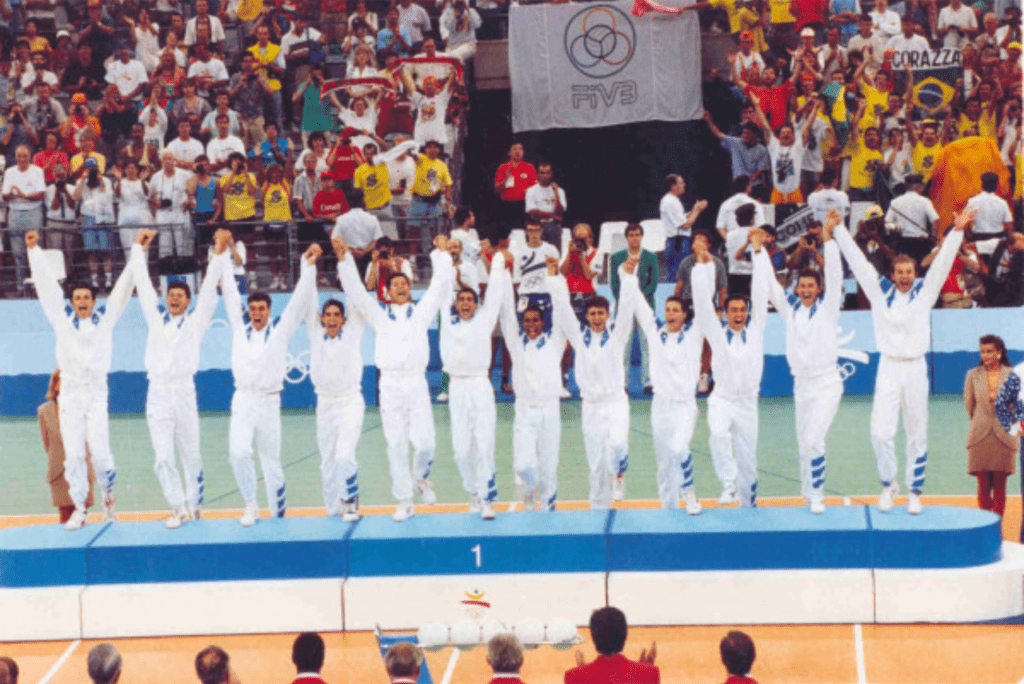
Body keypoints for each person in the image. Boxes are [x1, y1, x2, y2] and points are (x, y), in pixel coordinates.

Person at [834, 208, 976, 514]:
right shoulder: (880, 292)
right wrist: (839, 232)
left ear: (914, 273)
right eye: (899, 273)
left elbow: (939, 266)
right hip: (888, 366)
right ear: (892, 274)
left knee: (916, 431)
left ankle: (914, 490)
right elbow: (859, 265)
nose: (904, 277)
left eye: (909, 272)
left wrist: (957, 231)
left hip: (915, 367)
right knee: (880, 432)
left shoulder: (925, 292)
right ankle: (889, 485)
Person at [336, 234, 453, 522]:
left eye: (404, 284)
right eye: (394, 285)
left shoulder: (421, 313)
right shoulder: (380, 314)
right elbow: (358, 293)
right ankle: (403, 500)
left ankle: (420, 478)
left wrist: (440, 254)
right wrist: (345, 260)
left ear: (410, 289)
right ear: (387, 291)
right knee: (396, 444)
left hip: (416, 383)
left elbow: (439, 287)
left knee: (425, 444)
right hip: (389, 385)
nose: (400, 287)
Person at [27, 229, 135, 530]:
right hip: (72, 395)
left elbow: (123, 289)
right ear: (73, 301)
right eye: (78, 298)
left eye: (87, 297)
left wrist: (138, 252)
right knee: (73, 454)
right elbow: (47, 290)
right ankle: (79, 508)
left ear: (93, 300)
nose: (83, 301)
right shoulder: (62, 320)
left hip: (97, 394)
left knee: (100, 454)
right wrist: (34, 252)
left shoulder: (105, 320)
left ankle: (109, 495)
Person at [218, 236, 319, 526]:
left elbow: (299, 302)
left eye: (262, 309)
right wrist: (224, 256)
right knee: (238, 452)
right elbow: (228, 292)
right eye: (253, 309)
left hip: (270, 402)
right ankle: (250, 503)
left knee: (271, 460)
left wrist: (307, 267)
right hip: (243, 400)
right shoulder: (239, 327)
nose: (257, 313)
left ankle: (277, 512)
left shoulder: (280, 330)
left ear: (269, 310)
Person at [132, 229, 227, 528]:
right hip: (158, 393)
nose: (174, 298)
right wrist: (138, 250)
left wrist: (219, 253)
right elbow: (145, 288)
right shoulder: (155, 319)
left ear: (187, 301)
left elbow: (210, 292)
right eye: (171, 295)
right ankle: (177, 507)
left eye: (180, 295)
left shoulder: (195, 324)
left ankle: (195, 505)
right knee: (162, 457)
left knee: (191, 454)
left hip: (184, 392)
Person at [760, 210, 844, 513]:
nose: (806, 290)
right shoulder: (791, 309)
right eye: (802, 286)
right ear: (797, 289)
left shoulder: (828, 308)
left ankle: (818, 492)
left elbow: (834, 277)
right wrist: (758, 253)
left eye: (811, 286)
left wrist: (829, 240)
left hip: (826, 383)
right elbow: (771, 285)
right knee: (802, 441)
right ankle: (807, 490)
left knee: (814, 439)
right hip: (802, 384)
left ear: (818, 289)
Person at [692, 228, 770, 507]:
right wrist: (703, 265)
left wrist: (758, 252)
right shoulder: (716, 333)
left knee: (748, 460)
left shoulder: (757, 329)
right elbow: (702, 303)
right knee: (717, 434)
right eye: (733, 310)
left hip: (748, 404)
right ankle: (728, 484)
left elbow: (761, 290)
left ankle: (748, 502)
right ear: (725, 313)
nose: (738, 315)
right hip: (722, 399)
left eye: (742, 310)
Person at [620, 260, 704, 513]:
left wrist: (701, 267)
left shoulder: (694, 335)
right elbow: (641, 308)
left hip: (685, 405)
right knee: (664, 462)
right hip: (661, 406)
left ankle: (689, 494)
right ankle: (668, 507)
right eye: (667, 309)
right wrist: (628, 274)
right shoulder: (656, 335)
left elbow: (703, 302)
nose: (670, 313)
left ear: (685, 314)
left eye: (675, 310)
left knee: (680, 448)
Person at [439, 250, 509, 519]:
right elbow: (444, 290)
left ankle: (487, 497)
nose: (466, 303)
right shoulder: (447, 321)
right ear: (456, 304)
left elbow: (494, 296)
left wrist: (499, 262)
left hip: (480, 385)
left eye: (470, 299)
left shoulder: (484, 319)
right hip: (457, 387)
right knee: (460, 449)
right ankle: (473, 491)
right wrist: (444, 258)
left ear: (476, 304)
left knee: (484, 442)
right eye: (462, 299)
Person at [498, 256, 568, 511]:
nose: (531, 325)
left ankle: (548, 509)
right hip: (525, 410)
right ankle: (530, 489)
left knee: (549, 467)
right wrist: (505, 276)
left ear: (543, 321)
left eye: (535, 320)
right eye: (526, 321)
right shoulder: (517, 345)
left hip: (549, 409)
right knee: (523, 465)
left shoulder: (555, 341)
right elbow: (507, 315)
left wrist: (553, 278)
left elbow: (562, 310)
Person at [308, 250, 368, 522]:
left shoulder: (354, 332)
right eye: (327, 314)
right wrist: (309, 266)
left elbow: (355, 296)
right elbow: (308, 300)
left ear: (344, 319)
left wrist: (345, 260)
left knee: (345, 456)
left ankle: (351, 499)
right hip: (324, 404)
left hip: (350, 402)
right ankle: (332, 507)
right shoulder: (314, 334)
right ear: (321, 318)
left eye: (336, 314)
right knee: (327, 462)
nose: (331, 318)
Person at [965, 334, 1017, 517]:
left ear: (999, 352)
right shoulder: (972, 375)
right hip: (980, 436)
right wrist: (983, 421)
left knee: (1001, 486)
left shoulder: (1013, 375)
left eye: (989, 351)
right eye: (982, 351)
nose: (985, 355)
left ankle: (997, 529)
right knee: (983, 485)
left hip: (1005, 437)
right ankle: (986, 524)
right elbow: (970, 407)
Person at [39, 370, 96, 523]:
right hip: (59, 472)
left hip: (81, 468)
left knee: (81, 515)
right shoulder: (44, 411)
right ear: (55, 385)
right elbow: (47, 445)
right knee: (64, 517)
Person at [611, 223, 658, 395]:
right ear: (626, 237)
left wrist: (638, 301)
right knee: (624, 345)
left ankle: (649, 381)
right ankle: (622, 383)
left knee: (648, 345)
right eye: (631, 235)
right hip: (624, 308)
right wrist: (627, 301)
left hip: (646, 306)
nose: (634, 238)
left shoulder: (651, 257)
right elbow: (615, 285)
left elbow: (653, 284)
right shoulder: (617, 257)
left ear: (641, 236)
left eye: (637, 234)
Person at [565, 607, 658, 684]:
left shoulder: (572, 676)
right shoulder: (651, 673)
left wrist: (583, 674)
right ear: (625, 635)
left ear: (593, 637)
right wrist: (642, 673)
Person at [2, 144, 45, 294]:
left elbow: (40, 194)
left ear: (30, 157)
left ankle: (36, 286)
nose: (22, 159)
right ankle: (20, 286)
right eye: (19, 156)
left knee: (35, 250)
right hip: (15, 213)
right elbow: (5, 195)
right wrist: (12, 194)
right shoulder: (9, 171)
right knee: (18, 252)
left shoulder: (37, 171)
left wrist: (23, 195)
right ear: (15, 157)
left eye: (24, 155)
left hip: (33, 213)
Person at [659, 174, 705, 281]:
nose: (684, 185)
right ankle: (672, 297)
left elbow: (683, 218)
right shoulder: (670, 201)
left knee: (681, 274)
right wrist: (697, 210)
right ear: (673, 186)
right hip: (677, 244)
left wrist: (694, 209)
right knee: (677, 275)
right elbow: (685, 225)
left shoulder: (673, 200)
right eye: (681, 183)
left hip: (679, 242)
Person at [884, 175, 939, 263]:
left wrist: (895, 236)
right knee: (920, 269)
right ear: (918, 187)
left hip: (902, 242)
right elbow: (935, 220)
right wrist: (932, 239)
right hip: (921, 242)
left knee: (904, 266)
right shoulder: (924, 201)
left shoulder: (895, 202)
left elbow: (887, 223)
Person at [494, 141, 536, 233]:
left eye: (520, 149)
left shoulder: (529, 167)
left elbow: (536, 188)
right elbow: (497, 190)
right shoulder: (503, 168)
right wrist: (505, 179)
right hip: (506, 205)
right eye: (515, 149)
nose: (518, 151)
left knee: (523, 233)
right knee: (506, 233)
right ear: (509, 152)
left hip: (523, 205)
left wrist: (529, 191)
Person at [525, 162, 567, 252]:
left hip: (554, 226)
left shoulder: (559, 191)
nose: (545, 176)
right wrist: (552, 215)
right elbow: (532, 211)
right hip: (537, 226)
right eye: (542, 173)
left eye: (547, 173)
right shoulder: (531, 191)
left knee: (555, 254)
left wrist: (556, 194)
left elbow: (560, 211)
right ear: (538, 174)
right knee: (538, 253)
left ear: (551, 174)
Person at [966, 172, 1015, 241]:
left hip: (978, 240)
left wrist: (969, 237)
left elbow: (964, 222)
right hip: (999, 241)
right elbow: (1009, 225)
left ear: (982, 184)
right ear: (996, 186)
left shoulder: (972, 202)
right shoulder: (1002, 203)